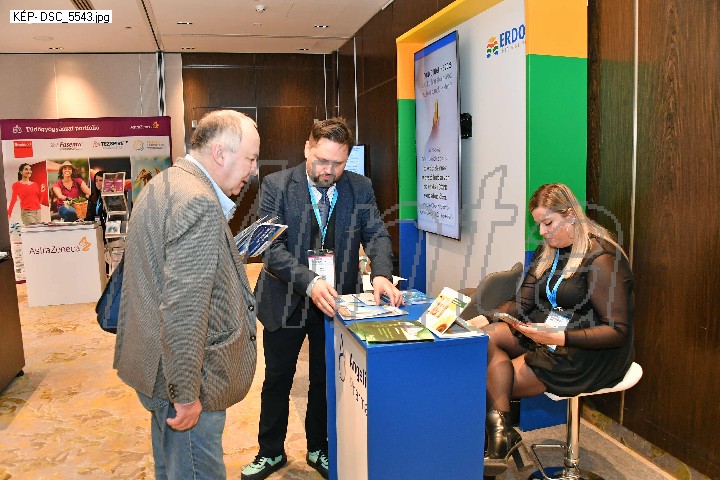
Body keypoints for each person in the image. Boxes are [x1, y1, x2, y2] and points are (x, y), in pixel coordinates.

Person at [243, 117, 403, 480]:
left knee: (325, 378)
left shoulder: (359, 187)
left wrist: (380, 272)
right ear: (307, 148)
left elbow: (377, 234)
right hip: (285, 297)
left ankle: (319, 447)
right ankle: (270, 452)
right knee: (278, 379)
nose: (328, 171)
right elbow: (271, 250)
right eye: (321, 161)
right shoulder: (277, 185)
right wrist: (310, 281)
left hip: (334, 301)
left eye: (338, 163)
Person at [114, 110, 260, 480]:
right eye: (251, 158)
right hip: (186, 377)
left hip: (155, 365)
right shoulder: (198, 201)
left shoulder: (163, 183)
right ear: (220, 153)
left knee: (172, 468)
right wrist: (185, 392)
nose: (254, 170)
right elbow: (184, 307)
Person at [470, 183, 634, 475]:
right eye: (539, 225)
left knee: (496, 384)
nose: (542, 232)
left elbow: (616, 331)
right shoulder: (548, 251)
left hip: (588, 349)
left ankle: (498, 438)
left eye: (548, 223)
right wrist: (484, 318)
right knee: (487, 337)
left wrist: (559, 336)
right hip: (549, 334)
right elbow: (521, 304)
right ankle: (502, 435)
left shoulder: (602, 257)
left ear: (570, 215)